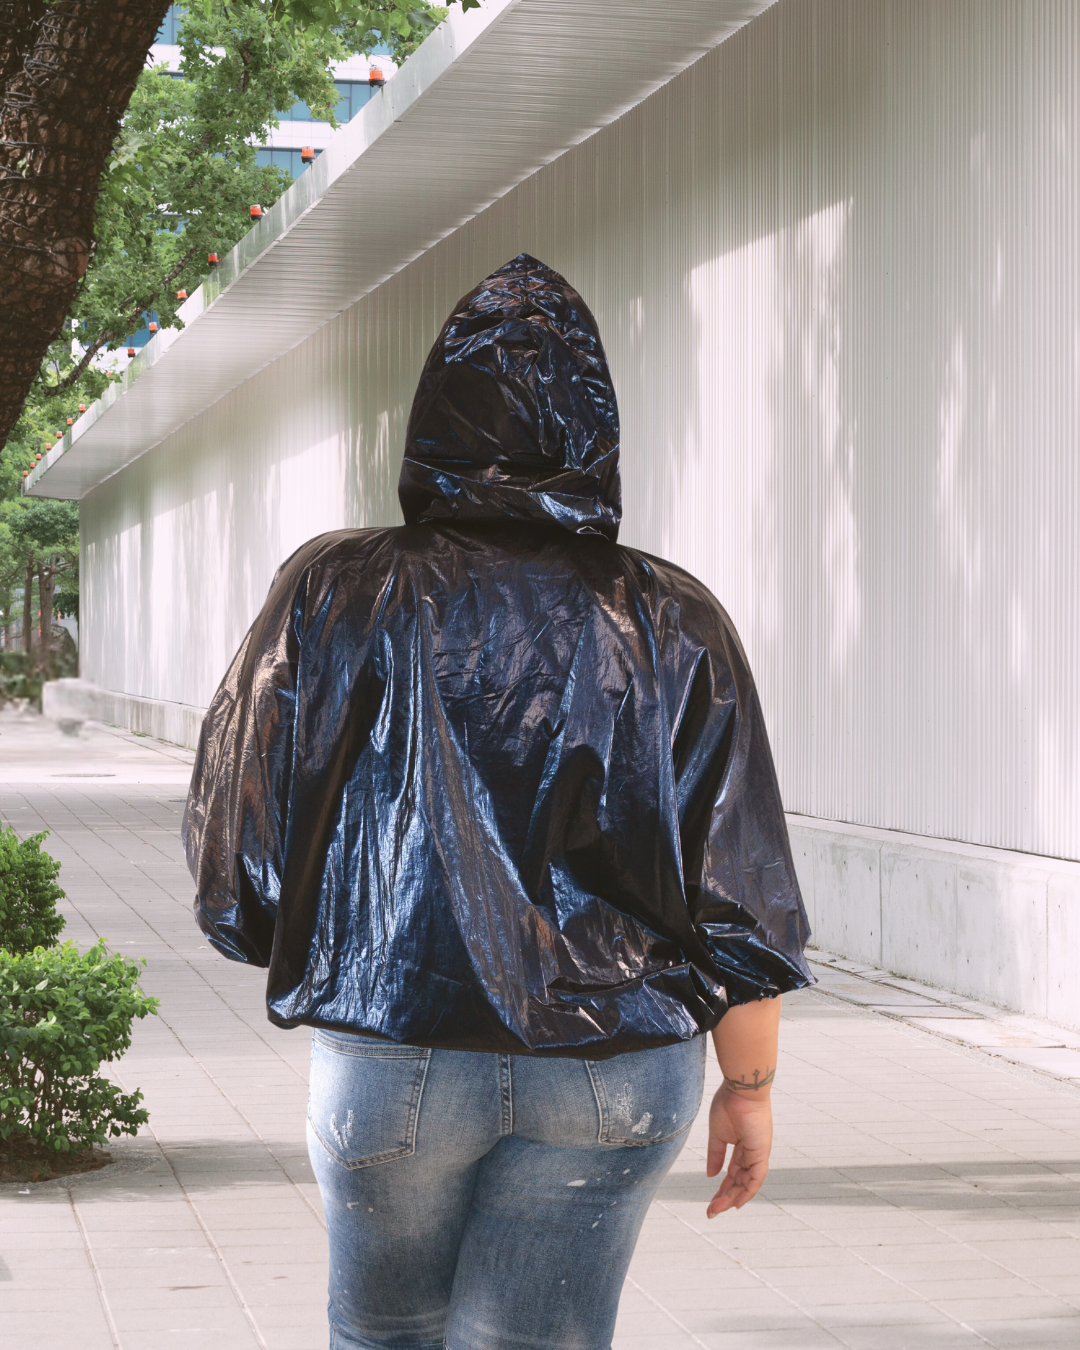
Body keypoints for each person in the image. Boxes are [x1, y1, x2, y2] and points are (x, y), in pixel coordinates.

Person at [183, 254, 813, 1350]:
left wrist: (305, 938)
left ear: (434, 418)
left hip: (393, 1048)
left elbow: (241, 808)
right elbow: (739, 883)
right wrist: (747, 1086)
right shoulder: (672, 615)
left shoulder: (338, 587)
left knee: (381, 1336)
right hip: (618, 1066)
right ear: (596, 429)